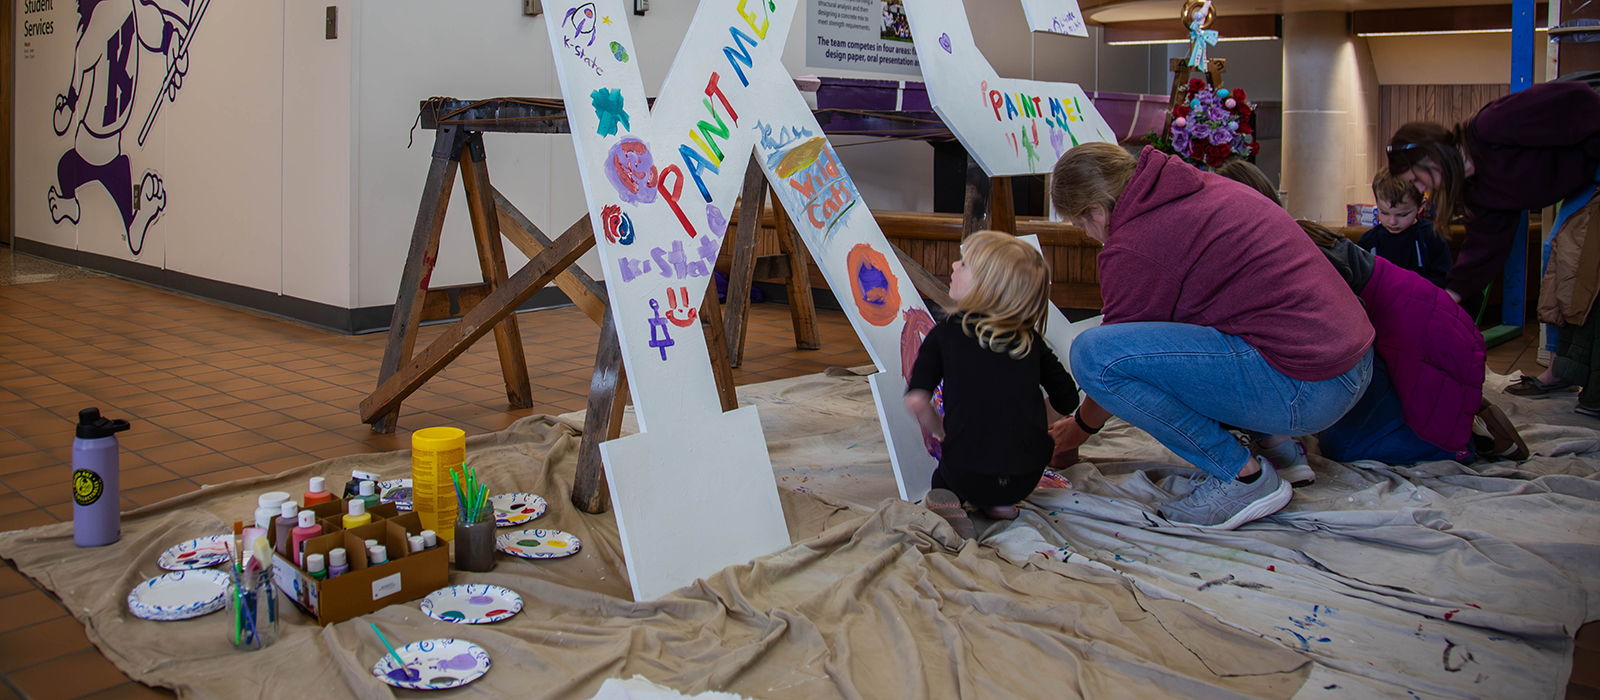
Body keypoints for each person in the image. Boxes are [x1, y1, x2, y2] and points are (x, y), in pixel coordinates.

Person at [1049, 143, 1374, 530]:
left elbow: (1114, 366)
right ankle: (1280, 450)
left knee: (1091, 354)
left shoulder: (1136, 241)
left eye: (1080, 225)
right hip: (1349, 365)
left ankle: (1244, 477)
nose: (1087, 235)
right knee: (1203, 325)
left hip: (1309, 389)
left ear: (1098, 212)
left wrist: (1078, 430)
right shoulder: (1196, 185)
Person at [1216, 161, 1529, 463]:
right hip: (1398, 319)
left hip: (1403, 325)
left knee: (1347, 443)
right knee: (1373, 414)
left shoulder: (1289, 247)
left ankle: (1470, 439)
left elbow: (1344, 322)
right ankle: (1459, 411)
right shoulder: (1298, 231)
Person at [1386, 81, 1600, 414]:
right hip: (1585, 180)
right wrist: (1450, 298)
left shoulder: (1491, 127)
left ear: (1429, 157)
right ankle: (1565, 367)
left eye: (1415, 179)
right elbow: (1486, 246)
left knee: (1575, 258)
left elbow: (1576, 99)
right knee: (1556, 258)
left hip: (1594, 154)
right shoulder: (1477, 191)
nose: (1420, 189)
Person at [905, 231, 1080, 540]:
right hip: (1026, 476)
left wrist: (945, 432)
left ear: (986, 288)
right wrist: (1034, 421)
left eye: (966, 264)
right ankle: (1000, 504)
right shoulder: (1031, 340)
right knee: (997, 466)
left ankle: (951, 502)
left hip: (966, 472)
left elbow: (918, 400)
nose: (955, 264)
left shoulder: (945, 334)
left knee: (945, 478)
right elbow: (1068, 398)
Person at [1357, 172, 1452, 288]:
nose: (1392, 222)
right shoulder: (1368, 241)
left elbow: (1443, 279)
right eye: (1384, 213)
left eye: (1402, 215)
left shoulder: (1431, 234)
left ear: (1421, 206)